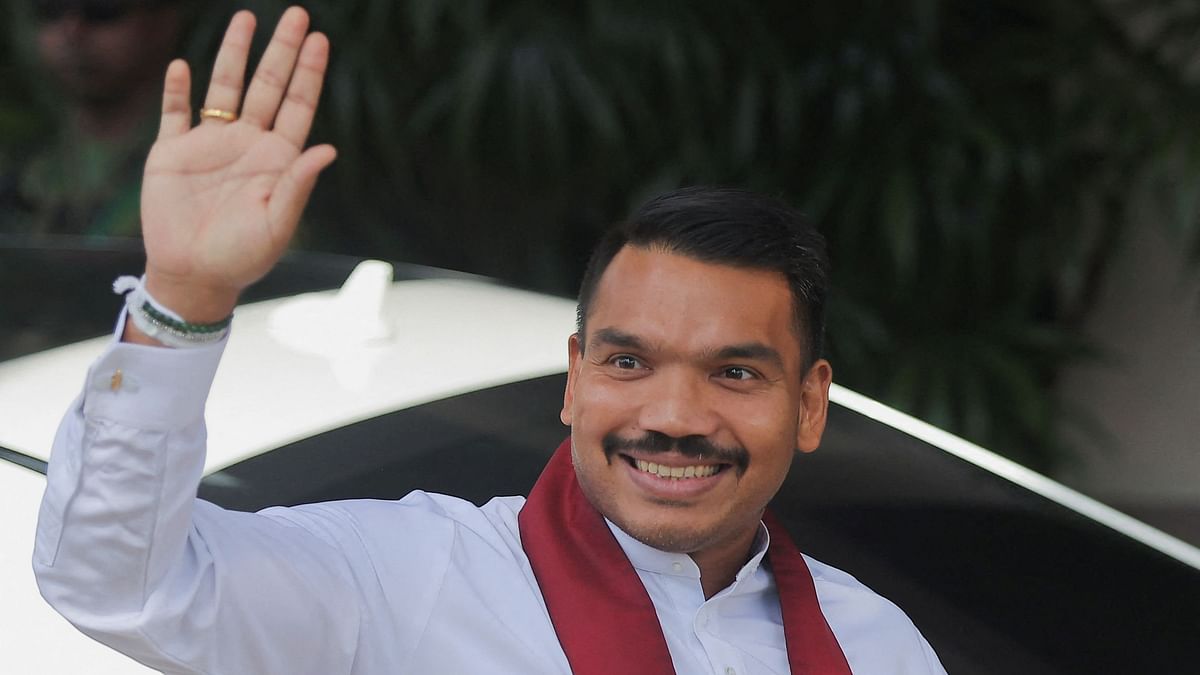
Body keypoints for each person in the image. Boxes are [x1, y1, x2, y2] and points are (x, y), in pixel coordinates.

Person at [33, 7, 946, 674]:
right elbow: (120, 585)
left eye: (735, 371)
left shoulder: (876, 646)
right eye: (629, 361)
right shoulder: (404, 578)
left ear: (811, 401)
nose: (673, 416)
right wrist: (182, 299)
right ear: (575, 378)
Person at [0, 0, 188, 236]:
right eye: (51, 12)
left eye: (101, 12)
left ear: (163, 22)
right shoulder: (19, 172)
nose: (71, 32)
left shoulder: (199, 168)